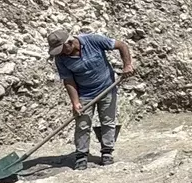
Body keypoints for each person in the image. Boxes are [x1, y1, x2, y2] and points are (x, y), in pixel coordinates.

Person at [48, 29, 135, 169]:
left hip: (107, 87)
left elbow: (122, 45)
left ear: (69, 42)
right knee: (82, 124)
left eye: (62, 49)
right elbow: (69, 81)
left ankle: (107, 152)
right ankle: (81, 156)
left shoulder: (92, 40)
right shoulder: (61, 58)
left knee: (108, 121)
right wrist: (75, 102)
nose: (61, 53)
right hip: (85, 94)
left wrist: (127, 65)